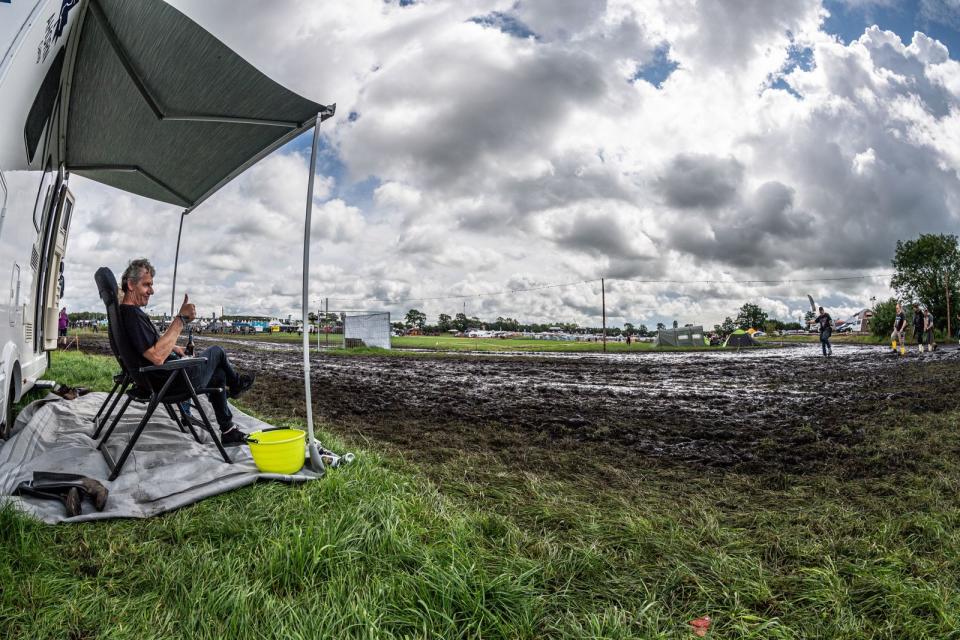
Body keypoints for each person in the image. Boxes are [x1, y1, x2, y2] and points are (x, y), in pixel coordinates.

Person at [118, 258, 254, 445]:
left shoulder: (126, 313)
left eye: (152, 285)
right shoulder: (131, 315)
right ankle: (236, 385)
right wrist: (180, 319)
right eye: (146, 285)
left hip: (158, 378)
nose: (152, 290)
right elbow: (157, 357)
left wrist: (173, 348)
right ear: (131, 284)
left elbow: (147, 344)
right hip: (170, 382)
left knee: (218, 372)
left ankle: (228, 429)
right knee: (217, 352)